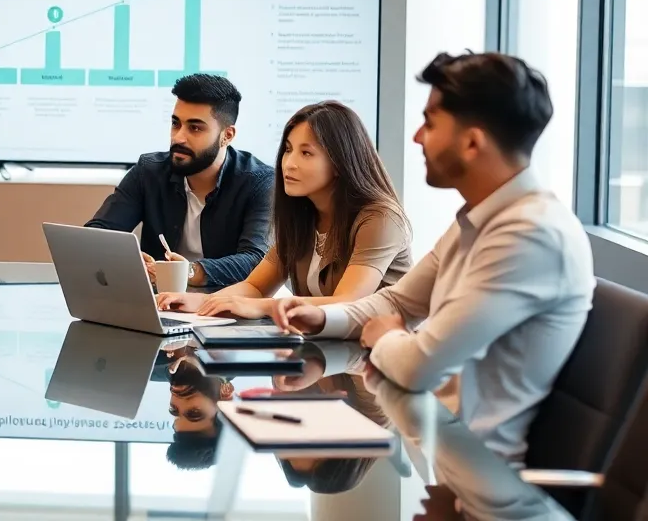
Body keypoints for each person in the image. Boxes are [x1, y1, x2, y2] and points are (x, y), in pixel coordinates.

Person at [274, 52, 595, 466]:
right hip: (445, 449)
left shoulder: (529, 235)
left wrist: (387, 336)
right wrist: (323, 318)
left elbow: (419, 366)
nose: (417, 137)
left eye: (431, 122)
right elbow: (397, 303)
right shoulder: (479, 219)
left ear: (472, 142)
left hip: (486, 476)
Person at [156, 101, 411, 319]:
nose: (289, 164)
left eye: (306, 153)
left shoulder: (381, 218)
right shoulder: (303, 215)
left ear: (339, 162)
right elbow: (255, 287)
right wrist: (200, 303)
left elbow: (348, 303)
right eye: (288, 150)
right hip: (324, 352)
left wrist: (263, 307)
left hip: (378, 357)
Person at [86, 74, 275, 289]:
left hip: (227, 306)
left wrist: (189, 272)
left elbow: (257, 260)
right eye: (176, 124)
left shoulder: (260, 182)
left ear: (227, 135)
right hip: (158, 305)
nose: (178, 137)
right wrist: (126, 259)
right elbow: (97, 234)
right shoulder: (148, 171)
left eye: (195, 128)